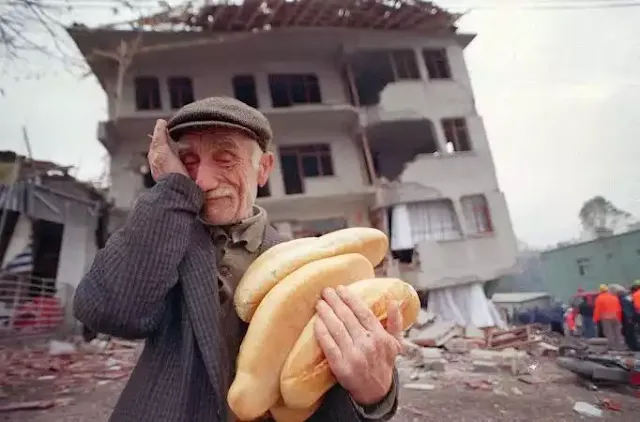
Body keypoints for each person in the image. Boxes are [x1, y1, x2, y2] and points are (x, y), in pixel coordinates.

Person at [73, 97, 401, 422]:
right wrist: (173, 190)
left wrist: (375, 395)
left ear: (264, 169)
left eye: (225, 158)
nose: (202, 181)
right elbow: (108, 311)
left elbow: (327, 374)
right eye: (188, 161)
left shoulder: (310, 265)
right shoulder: (162, 243)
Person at [593, 284, 624, 351]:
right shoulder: (614, 297)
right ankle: (619, 346)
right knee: (617, 332)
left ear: (600, 291)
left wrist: (596, 319)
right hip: (615, 316)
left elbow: (598, 309)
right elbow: (619, 308)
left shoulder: (599, 298)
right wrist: (619, 318)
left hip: (606, 317)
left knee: (608, 332)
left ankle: (611, 346)